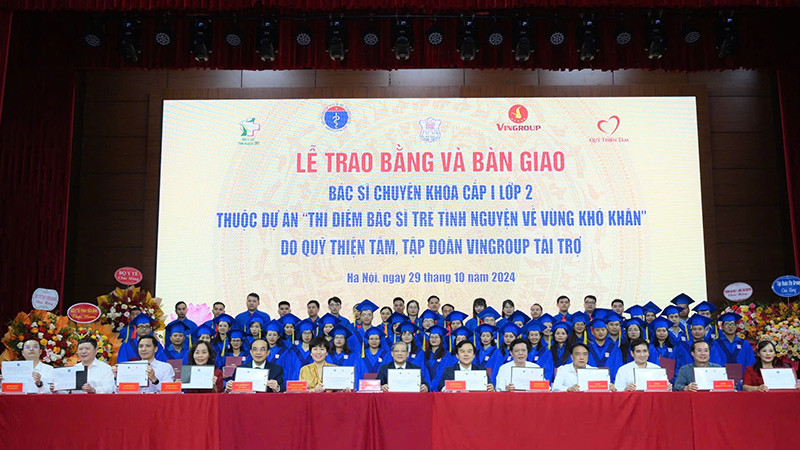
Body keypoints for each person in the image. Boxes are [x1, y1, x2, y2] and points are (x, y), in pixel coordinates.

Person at [715, 312, 756, 377]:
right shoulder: (716, 344)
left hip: (743, 379)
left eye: (732, 324)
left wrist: (747, 378)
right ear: (722, 327)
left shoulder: (745, 344)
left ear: (736, 326)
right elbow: (714, 362)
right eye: (727, 324)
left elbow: (750, 362)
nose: (730, 327)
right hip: (721, 379)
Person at [422, 325, 452, 391]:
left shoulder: (447, 355)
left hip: (439, 389)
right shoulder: (424, 354)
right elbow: (423, 372)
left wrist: (432, 387)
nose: (434, 339)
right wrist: (427, 386)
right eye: (431, 337)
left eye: (436, 337)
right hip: (425, 389)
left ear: (441, 339)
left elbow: (443, 373)